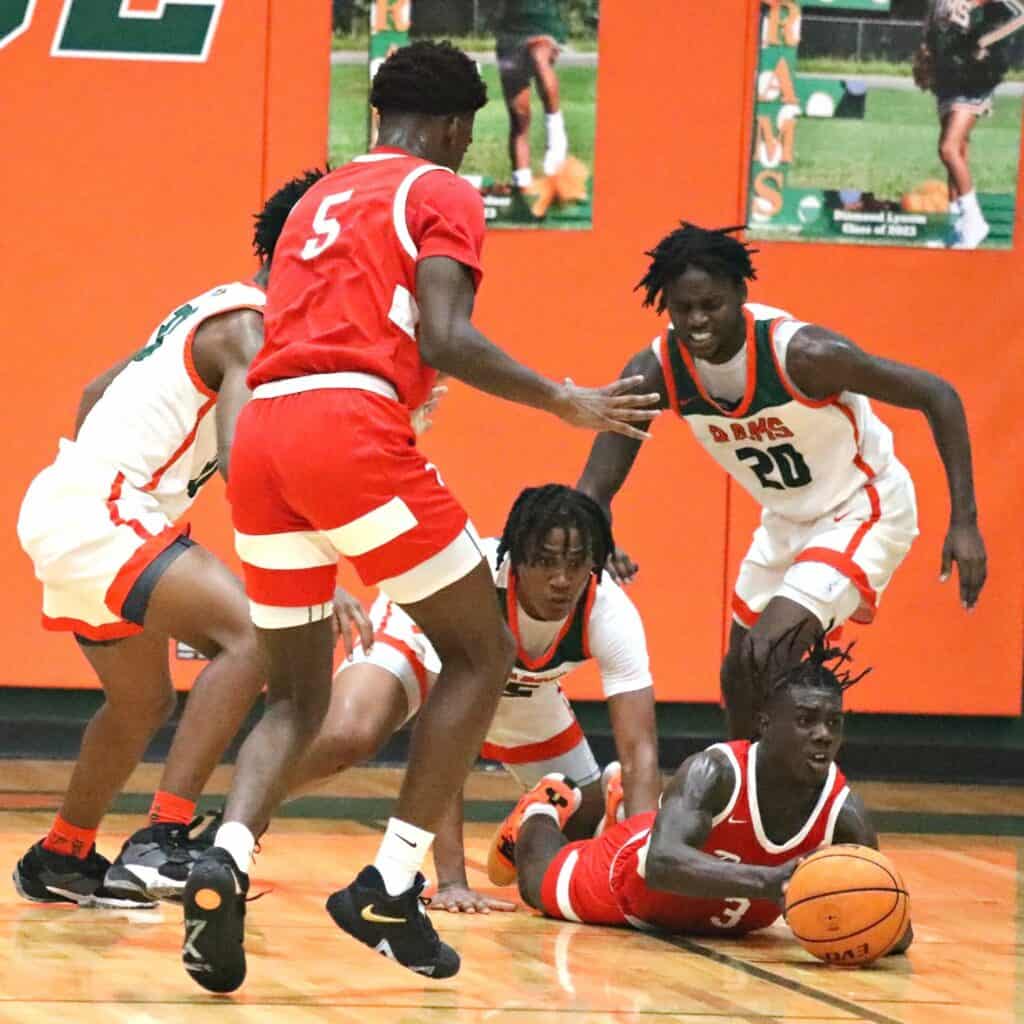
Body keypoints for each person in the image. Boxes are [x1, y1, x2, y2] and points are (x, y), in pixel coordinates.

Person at [181, 40, 659, 993]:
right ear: (455, 128)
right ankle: (391, 886)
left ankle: (224, 857)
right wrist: (559, 399)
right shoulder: (441, 189)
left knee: (295, 696)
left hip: (263, 439)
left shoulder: (319, 197)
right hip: (348, 428)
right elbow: (444, 333)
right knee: (482, 651)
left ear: (375, 118)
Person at [11, 170, 337, 909]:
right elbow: (241, 458)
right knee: (256, 635)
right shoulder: (250, 328)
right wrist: (310, 558)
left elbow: (97, 391)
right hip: (102, 510)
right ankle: (163, 840)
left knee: (140, 704)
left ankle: (62, 854)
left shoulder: (209, 307)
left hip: (77, 504)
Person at [578, 223, 986, 740]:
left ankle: (797, 800)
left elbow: (938, 395)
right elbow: (596, 485)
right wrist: (598, 533)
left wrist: (965, 522)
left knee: (766, 653)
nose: (698, 321)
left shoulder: (804, 355)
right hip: (785, 521)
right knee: (738, 678)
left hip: (864, 507)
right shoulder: (659, 370)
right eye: (684, 309)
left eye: (712, 305)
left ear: (741, 296)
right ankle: (745, 800)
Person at [281, 484, 660, 914]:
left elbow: (639, 752)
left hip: (519, 686)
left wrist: (640, 865)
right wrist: (453, 882)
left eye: (575, 564)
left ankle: (531, 817)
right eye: (546, 562)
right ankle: (240, 817)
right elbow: (446, 737)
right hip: (418, 639)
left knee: (587, 811)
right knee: (349, 735)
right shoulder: (474, 584)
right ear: (516, 559)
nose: (561, 579)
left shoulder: (609, 610)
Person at [504, 633, 913, 957]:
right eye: (806, 720)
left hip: (693, 861)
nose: (823, 734)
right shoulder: (716, 771)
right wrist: (770, 882)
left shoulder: (844, 814)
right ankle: (544, 804)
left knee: (662, 826)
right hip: (631, 889)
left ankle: (620, 807)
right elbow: (662, 863)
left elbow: (899, 932)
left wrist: (859, 917)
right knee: (536, 883)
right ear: (766, 724)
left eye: (833, 722)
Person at [913, 0, 1024, 248]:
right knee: (958, 149)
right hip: (948, 75)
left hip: (976, 74)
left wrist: (983, 41)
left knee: (948, 149)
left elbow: (1020, 13)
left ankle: (974, 221)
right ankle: (957, 228)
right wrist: (924, 53)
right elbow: (930, 25)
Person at [496, 0, 570, 190]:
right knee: (519, 114)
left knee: (539, 56)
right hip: (510, 31)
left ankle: (556, 136)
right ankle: (522, 182)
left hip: (543, 22)